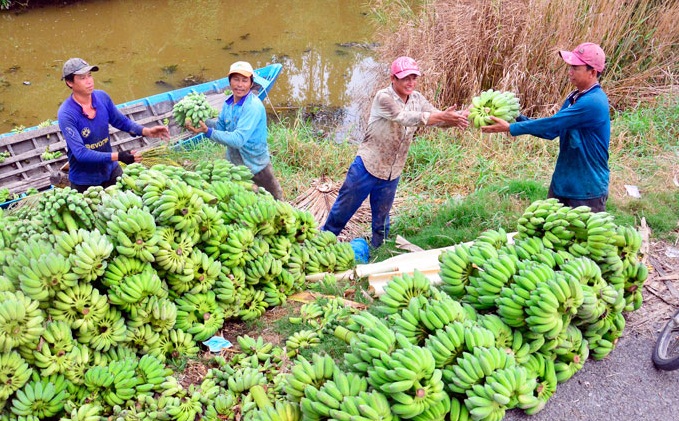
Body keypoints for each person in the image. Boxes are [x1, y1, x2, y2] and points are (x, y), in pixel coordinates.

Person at [321, 56, 470, 248]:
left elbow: (437, 119)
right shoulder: (384, 97)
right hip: (367, 165)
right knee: (343, 208)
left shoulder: (417, 99)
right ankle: (322, 242)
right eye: (405, 78)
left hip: (392, 170)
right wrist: (439, 116)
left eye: (414, 78)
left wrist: (458, 117)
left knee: (382, 219)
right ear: (393, 78)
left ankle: (379, 251)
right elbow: (404, 117)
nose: (411, 83)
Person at [482, 42, 610, 212]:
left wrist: (511, 128)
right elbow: (552, 131)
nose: (569, 72)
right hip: (563, 183)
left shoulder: (593, 102)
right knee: (551, 233)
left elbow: (553, 123)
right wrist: (516, 118)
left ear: (592, 72)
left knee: (584, 238)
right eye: (570, 66)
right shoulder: (575, 97)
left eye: (575, 67)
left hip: (587, 189)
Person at [57, 57, 170, 193]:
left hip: (110, 170)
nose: (89, 81)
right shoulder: (66, 114)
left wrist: (147, 131)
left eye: (90, 75)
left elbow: (121, 121)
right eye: (82, 78)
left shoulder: (102, 97)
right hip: (85, 180)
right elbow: (81, 153)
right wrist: (119, 156)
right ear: (70, 82)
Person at [186, 61, 283, 200]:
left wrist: (208, 132)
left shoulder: (253, 106)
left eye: (244, 80)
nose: (240, 85)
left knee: (274, 199)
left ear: (251, 83)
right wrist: (203, 124)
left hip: (256, 165)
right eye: (236, 79)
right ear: (229, 81)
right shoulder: (229, 103)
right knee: (242, 200)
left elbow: (238, 140)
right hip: (235, 164)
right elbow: (220, 128)